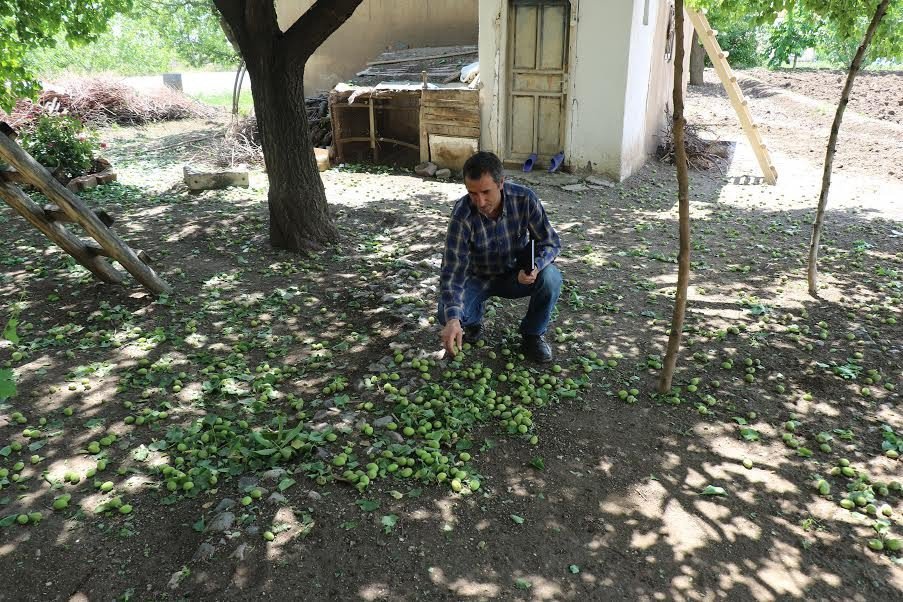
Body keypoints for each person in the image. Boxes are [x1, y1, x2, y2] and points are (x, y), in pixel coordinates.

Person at [438, 151, 562, 363]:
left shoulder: (524, 199)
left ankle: (532, 335)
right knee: (446, 313)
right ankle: (472, 323)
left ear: (501, 182)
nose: (480, 201)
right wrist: (453, 320)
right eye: (472, 193)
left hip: (516, 276)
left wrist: (535, 267)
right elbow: (452, 270)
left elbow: (550, 242)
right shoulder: (462, 213)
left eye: (486, 192)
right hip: (477, 278)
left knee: (551, 278)